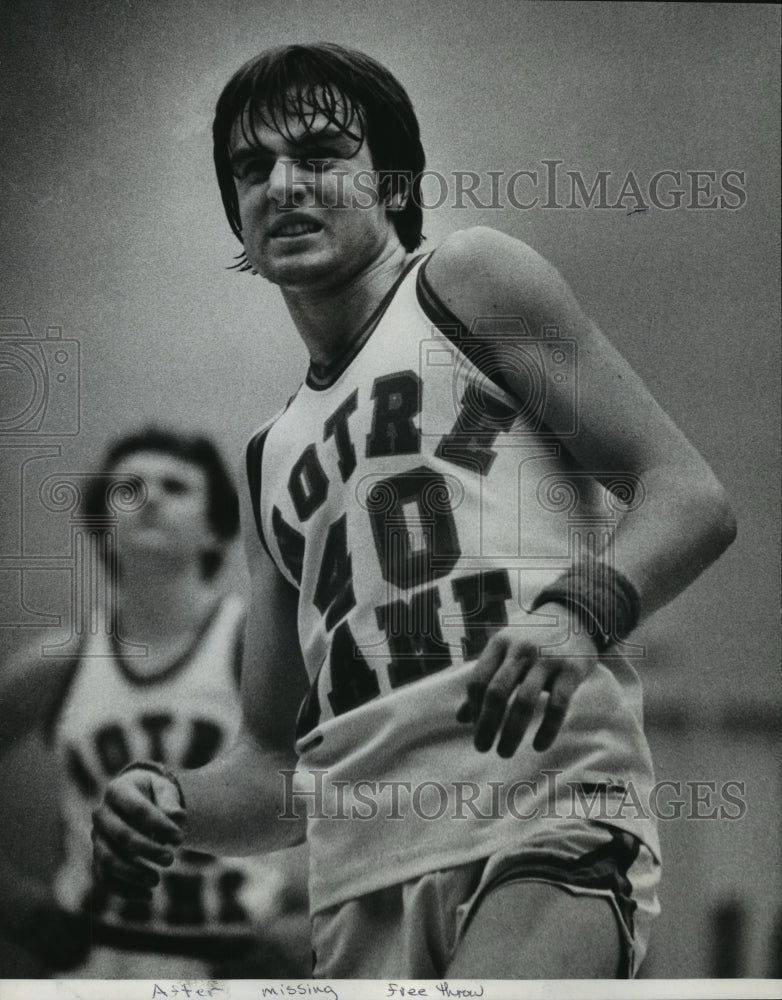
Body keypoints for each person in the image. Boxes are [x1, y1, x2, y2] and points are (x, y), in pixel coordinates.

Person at [91, 44, 737, 979]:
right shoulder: (269, 454)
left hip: (543, 823)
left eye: (318, 153)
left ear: (392, 181)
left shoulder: (465, 282)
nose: (282, 183)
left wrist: (573, 614)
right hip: (360, 881)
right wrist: (168, 801)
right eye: (251, 167)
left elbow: (690, 494)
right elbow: (277, 764)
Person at [0, 427, 310, 978]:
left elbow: (356, 775)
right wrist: (15, 903)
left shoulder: (255, 645)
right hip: (96, 958)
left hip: (233, 956)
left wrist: (306, 922)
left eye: (174, 486)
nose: (149, 498)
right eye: (128, 488)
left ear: (216, 530)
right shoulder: (64, 658)